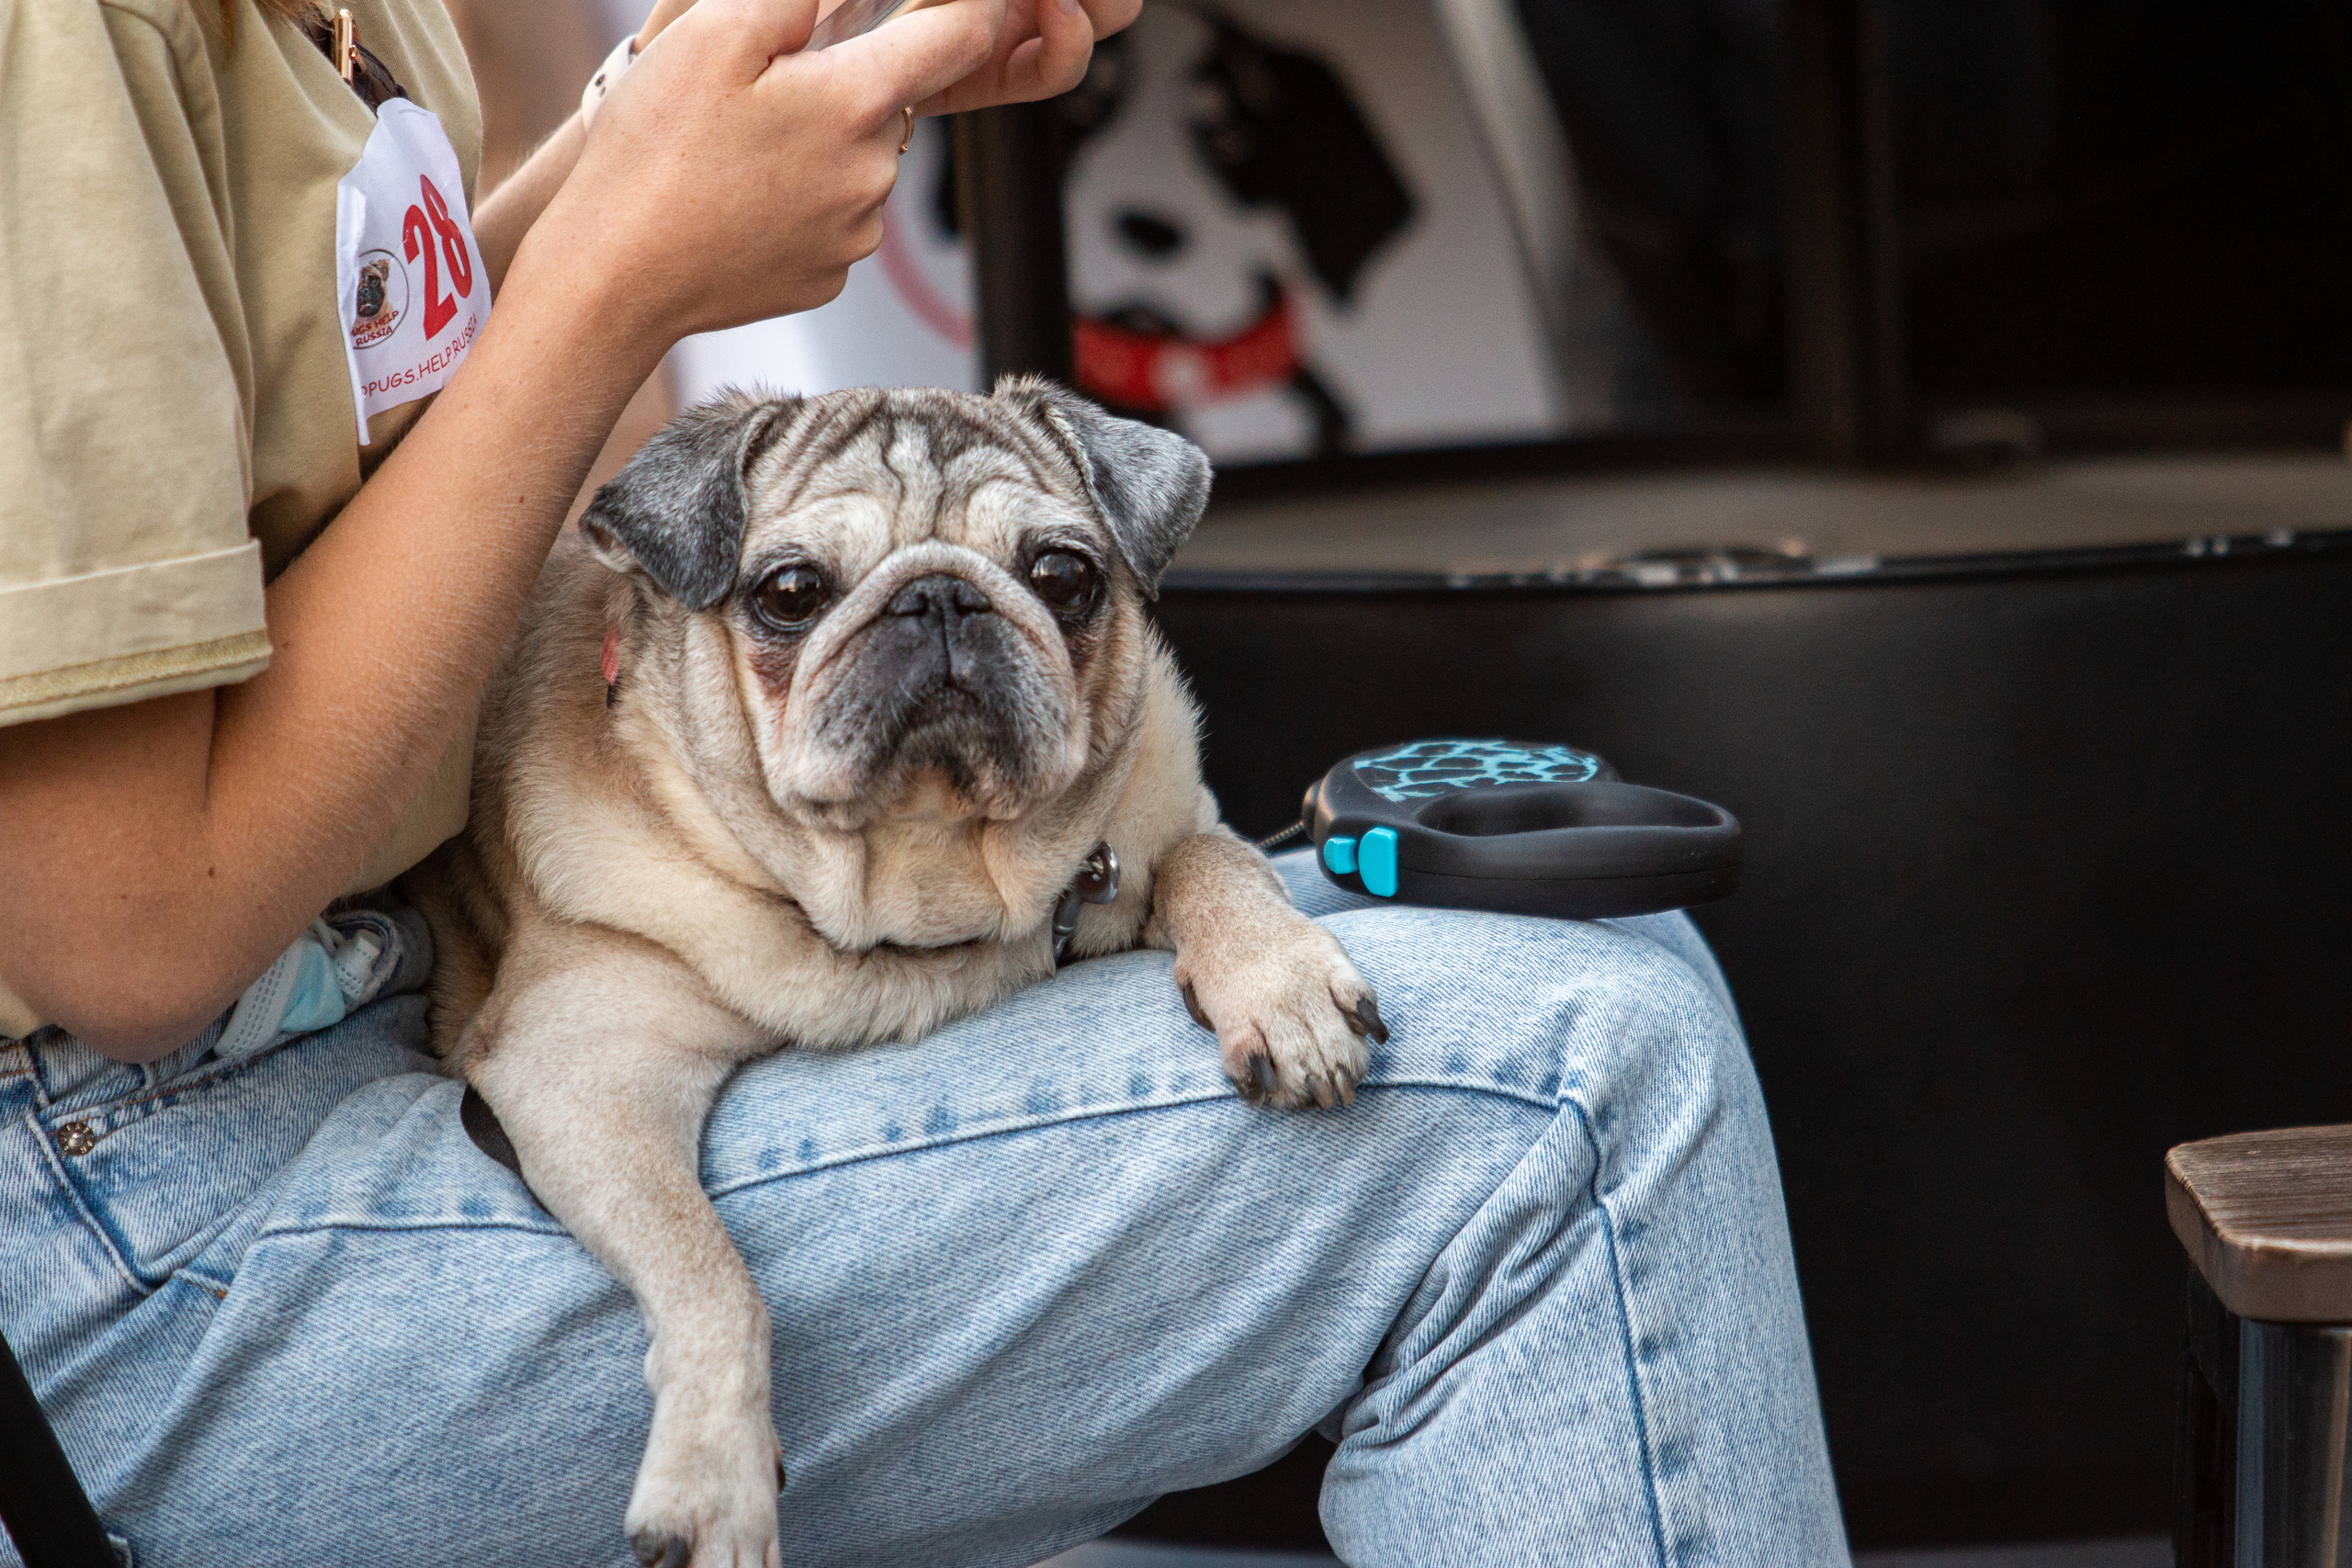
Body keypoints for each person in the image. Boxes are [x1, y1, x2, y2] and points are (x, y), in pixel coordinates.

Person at [0, 0, 1849, 1561]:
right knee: (1585, 1082)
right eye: (809, 599)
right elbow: (124, 930)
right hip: (129, 1222)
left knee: (1640, 965)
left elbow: (328, 433)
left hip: (353, 1033)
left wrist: (780, 63)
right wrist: (637, 269)